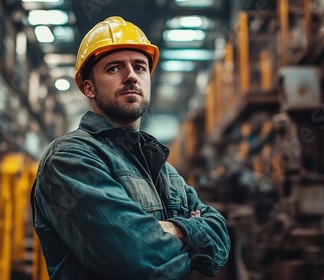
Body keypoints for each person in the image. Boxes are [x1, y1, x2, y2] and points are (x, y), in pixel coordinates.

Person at [31, 16, 230, 280]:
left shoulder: (162, 169)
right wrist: (192, 234)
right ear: (89, 87)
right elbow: (139, 261)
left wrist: (172, 230)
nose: (131, 77)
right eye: (114, 68)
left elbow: (220, 241)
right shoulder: (70, 158)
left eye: (140, 67)